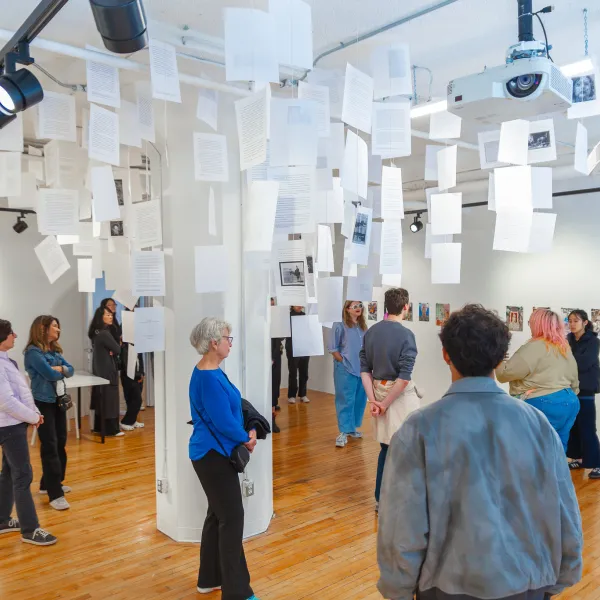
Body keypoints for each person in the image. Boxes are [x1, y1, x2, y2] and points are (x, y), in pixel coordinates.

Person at [377, 304, 583, 600]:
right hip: (528, 582)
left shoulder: (418, 429)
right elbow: (564, 508)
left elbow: (402, 524)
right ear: (501, 357)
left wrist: (397, 589)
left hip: (447, 587)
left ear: (445, 354)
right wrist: (562, 575)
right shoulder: (537, 424)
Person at [188, 317, 259, 600]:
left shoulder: (212, 371)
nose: (231, 343)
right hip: (211, 457)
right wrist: (246, 437)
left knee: (217, 515)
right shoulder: (208, 377)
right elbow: (223, 422)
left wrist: (248, 428)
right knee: (232, 519)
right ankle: (238, 593)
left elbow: (231, 411)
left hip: (210, 454)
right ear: (214, 343)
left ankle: (209, 579)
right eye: (228, 338)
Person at [359, 288, 419, 510]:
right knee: (404, 447)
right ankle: (398, 499)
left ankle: (382, 499)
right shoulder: (406, 335)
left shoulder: (371, 332)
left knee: (386, 447)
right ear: (406, 307)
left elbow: (364, 370)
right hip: (398, 397)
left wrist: (374, 400)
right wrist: (383, 404)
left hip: (378, 390)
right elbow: (403, 378)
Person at [0, 320, 57, 546]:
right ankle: (30, 530)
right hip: (9, 426)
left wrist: (33, 412)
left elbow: (21, 393)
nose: (15, 335)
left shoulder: (7, 361)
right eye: (10, 333)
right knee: (23, 476)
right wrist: (33, 416)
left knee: (8, 473)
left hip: (14, 423)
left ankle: (2, 520)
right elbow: (6, 401)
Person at [496, 308, 579, 451]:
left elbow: (504, 374)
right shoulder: (564, 347)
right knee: (557, 452)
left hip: (543, 403)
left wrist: (498, 356)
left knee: (532, 453)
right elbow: (574, 382)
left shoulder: (534, 347)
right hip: (570, 402)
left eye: (530, 323)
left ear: (537, 324)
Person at [24, 315, 74, 511]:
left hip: (57, 402)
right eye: (55, 327)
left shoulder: (54, 350)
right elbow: (49, 374)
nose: (58, 330)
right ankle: (55, 494)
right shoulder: (33, 353)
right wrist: (59, 370)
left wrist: (60, 368)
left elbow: (70, 370)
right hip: (43, 403)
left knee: (61, 441)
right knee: (50, 445)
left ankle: (50, 483)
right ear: (43, 329)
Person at [329, 300, 368, 448]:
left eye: (360, 305)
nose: (358, 308)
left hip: (361, 369)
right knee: (345, 399)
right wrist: (343, 362)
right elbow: (333, 348)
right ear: (347, 309)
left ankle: (352, 429)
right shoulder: (339, 325)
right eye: (355, 306)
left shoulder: (363, 326)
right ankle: (343, 432)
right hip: (345, 369)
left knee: (359, 399)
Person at [567, 309, 600, 479]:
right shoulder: (568, 339)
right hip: (570, 387)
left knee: (587, 427)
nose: (572, 324)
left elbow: (586, 362)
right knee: (573, 426)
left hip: (586, 388)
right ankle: (578, 458)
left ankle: (596, 464)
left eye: (576, 321)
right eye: (570, 321)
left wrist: (568, 360)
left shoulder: (593, 341)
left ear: (585, 322)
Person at [88, 306, 123, 438]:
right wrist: (116, 345)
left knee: (102, 399)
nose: (111, 316)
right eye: (107, 314)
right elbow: (118, 349)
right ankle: (112, 429)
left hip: (100, 370)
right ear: (100, 317)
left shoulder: (96, 333)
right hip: (108, 371)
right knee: (110, 400)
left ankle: (99, 427)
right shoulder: (104, 333)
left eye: (111, 315)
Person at [285, 306, 310, 404]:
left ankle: (303, 394)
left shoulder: (304, 316)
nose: (300, 306)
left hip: (304, 346)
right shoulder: (287, 316)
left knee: (304, 371)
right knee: (293, 372)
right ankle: (291, 395)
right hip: (292, 347)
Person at [119, 333, 145, 431]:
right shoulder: (125, 347)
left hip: (138, 376)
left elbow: (140, 361)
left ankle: (132, 420)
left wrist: (142, 374)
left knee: (133, 401)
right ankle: (125, 422)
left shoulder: (138, 346)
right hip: (129, 377)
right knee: (136, 400)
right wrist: (137, 375)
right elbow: (126, 365)